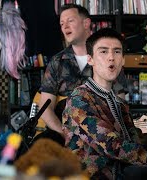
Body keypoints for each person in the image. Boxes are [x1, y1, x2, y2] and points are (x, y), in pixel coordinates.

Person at [62, 28, 147, 180]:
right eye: (103, 52)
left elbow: (133, 145)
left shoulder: (120, 103)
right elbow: (111, 145)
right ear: (90, 59)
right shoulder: (79, 99)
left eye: (117, 52)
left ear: (123, 60)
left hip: (124, 172)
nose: (111, 57)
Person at [38, 4, 127, 146]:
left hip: (100, 137)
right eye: (62, 23)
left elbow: (120, 104)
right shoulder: (56, 62)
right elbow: (45, 107)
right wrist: (64, 133)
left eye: (70, 21)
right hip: (62, 136)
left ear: (86, 23)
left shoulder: (109, 59)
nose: (65, 26)